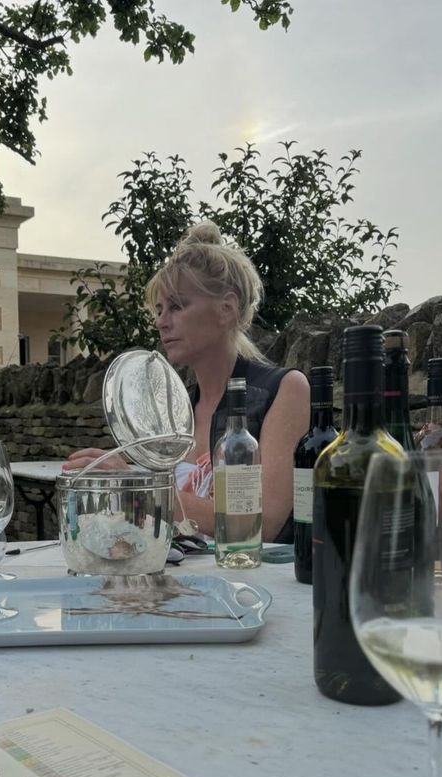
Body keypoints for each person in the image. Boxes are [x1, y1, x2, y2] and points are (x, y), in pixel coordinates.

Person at [63, 221, 310, 543]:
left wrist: (134, 485)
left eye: (177, 306)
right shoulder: (176, 410)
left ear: (226, 308)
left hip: (258, 588)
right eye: (159, 309)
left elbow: (265, 523)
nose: (161, 321)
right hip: (183, 585)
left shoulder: (284, 390)